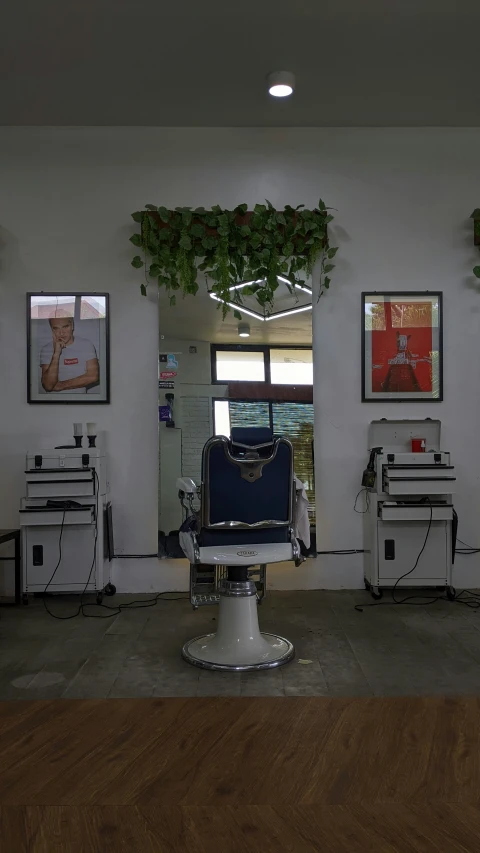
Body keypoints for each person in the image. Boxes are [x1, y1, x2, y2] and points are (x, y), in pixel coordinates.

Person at [40, 314, 99, 394]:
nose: (61, 333)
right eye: (56, 328)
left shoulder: (86, 345)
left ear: (72, 326)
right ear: (52, 330)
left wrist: (60, 386)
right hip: (53, 404)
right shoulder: (46, 349)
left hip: (78, 403)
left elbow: (93, 376)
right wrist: (56, 354)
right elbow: (48, 386)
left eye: (65, 327)